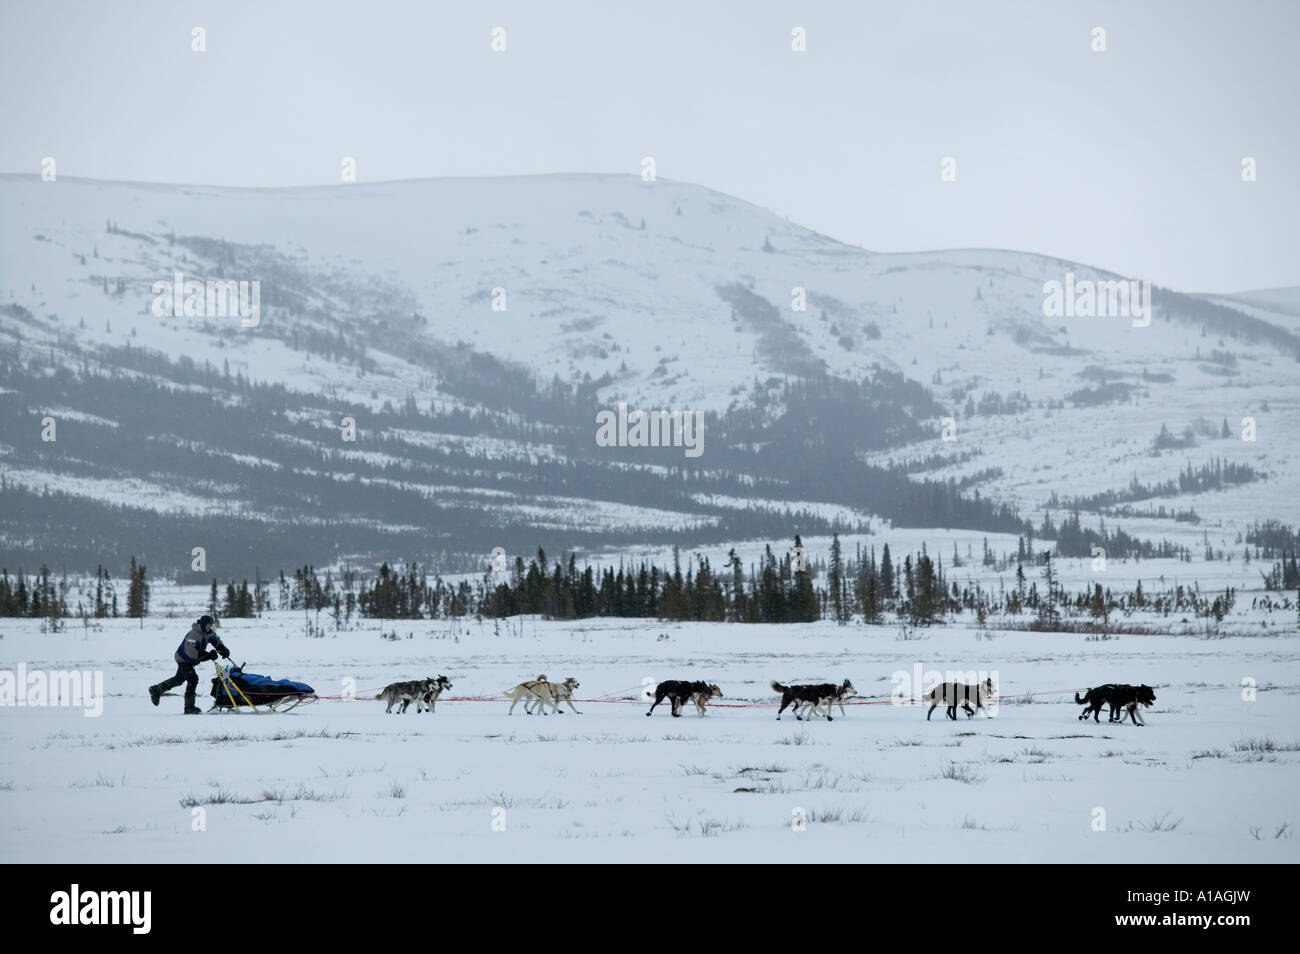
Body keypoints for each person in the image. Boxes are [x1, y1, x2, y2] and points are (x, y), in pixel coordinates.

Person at [149, 614, 230, 714]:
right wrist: (208, 655)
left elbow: (215, 640)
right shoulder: (194, 635)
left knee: (179, 680)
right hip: (184, 659)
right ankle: (189, 708)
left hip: (190, 660)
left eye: (211, 625)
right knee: (193, 679)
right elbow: (191, 653)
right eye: (208, 625)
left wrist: (222, 649)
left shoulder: (207, 632)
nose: (210, 627)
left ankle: (156, 690)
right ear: (203, 624)